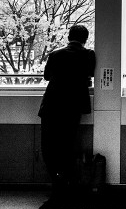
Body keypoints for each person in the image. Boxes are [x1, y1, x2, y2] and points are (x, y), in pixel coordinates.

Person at [38, 24, 96, 192]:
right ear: (85, 39)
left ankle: (56, 177)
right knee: (67, 143)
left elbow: (47, 76)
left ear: (69, 37)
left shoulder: (55, 54)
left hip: (51, 105)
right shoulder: (88, 55)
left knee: (49, 145)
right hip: (73, 106)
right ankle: (66, 179)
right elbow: (90, 74)